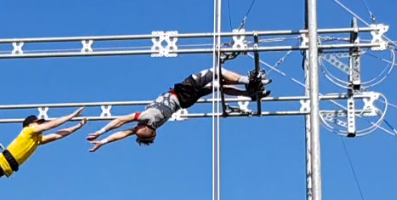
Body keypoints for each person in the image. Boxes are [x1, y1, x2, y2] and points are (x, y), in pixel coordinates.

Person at [87, 67, 270, 151]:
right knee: (216, 72)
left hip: (185, 102)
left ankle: (250, 95)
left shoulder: (145, 125)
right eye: (139, 132)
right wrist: (100, 133)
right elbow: (120, 122)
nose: (136, 130)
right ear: (150, 132)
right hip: (181, 93)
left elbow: (121, 132)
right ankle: (250, 82)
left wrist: (102, 140)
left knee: (218, 86)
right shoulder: (146, 117)